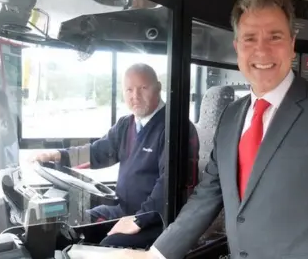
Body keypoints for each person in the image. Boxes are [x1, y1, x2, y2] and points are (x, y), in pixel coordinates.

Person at [109, 0, 308, 258]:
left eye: (275, 36)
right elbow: (207, 196)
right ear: (237, 47)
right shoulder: (230, 118)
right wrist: (155, 255)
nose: (262, 50)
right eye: (250, 38)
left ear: (292, 44)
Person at [33, 63, 200, 249]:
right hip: (123, 210)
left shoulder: (176, 128)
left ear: (158, 88)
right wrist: (58, 156)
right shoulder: (125, 125)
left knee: (107, 248)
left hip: (158, 220)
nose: (135, 96)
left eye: (143, 88)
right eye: (129, 90)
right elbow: (97, 152)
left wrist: (138, 220)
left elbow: (169, 186)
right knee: (72, 226)